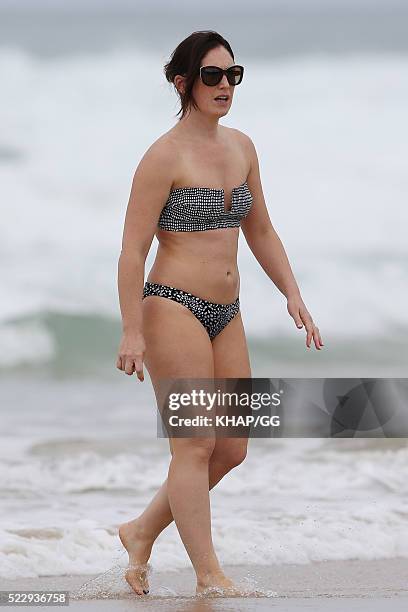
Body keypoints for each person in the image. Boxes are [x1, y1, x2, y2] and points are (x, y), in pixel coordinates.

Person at [116, 30, 323, 598]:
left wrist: (292, 292)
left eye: (233, 75)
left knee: (232, 446)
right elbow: (133, 248)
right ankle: (209, 573)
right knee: (194, 445)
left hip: (226, 311)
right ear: (183, 82)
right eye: (212, 75)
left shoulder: (242, 147)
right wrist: (132, 328)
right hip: (171, 306)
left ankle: (140, 531)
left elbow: (259, 227)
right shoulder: (163, 156)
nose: (225, 85)